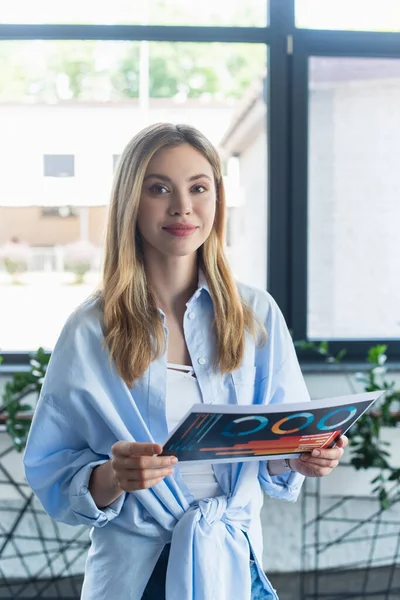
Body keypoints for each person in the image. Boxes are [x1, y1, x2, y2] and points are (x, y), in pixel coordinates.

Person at [23, 123, 348, 600]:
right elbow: (53, 471)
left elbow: (279, 447)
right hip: (138, 577)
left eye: (199, 187)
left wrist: (306, 456)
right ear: (131, 203)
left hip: (236, 569)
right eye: (159, 189)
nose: (182, 207)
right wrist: (115, 477)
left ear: (217, 199)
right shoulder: (91, 329)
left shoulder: (256, 315)